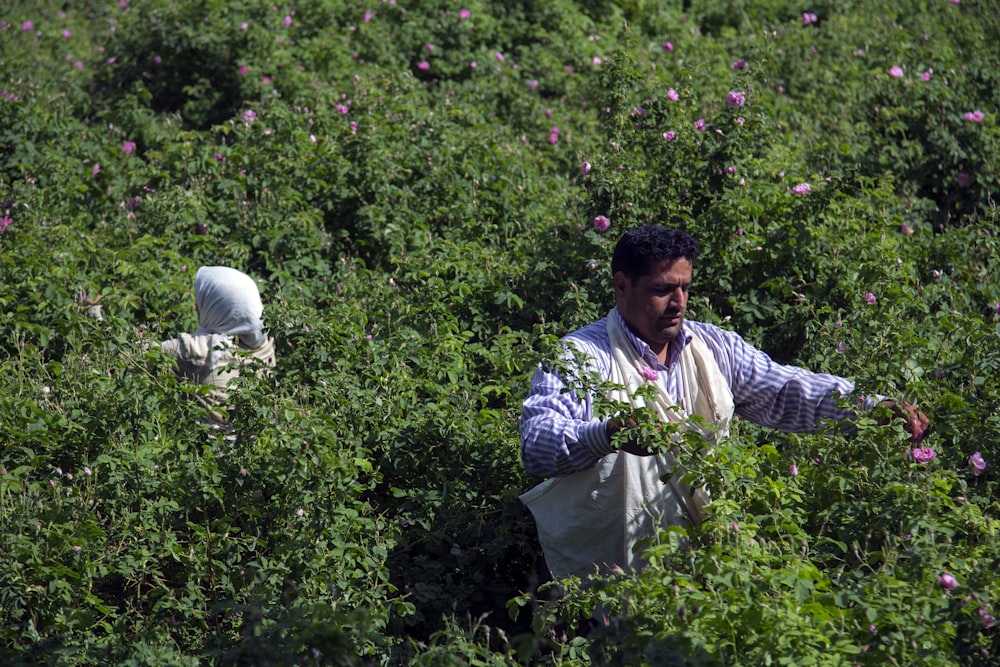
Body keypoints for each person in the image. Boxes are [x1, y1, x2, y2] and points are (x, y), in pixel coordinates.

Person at [519, 225, 928, 580]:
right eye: (662, 290)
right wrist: (606, 434)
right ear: (622, 286)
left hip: (698, 562)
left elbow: (786, 389)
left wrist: (869, 407)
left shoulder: (712, 346)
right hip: (600, 570)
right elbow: (537, 444)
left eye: (684, 287)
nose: (678, 302)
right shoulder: (581, 356)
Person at [160, 266, 276, 427]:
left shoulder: (195, 350)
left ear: (218, 306)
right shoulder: (264, 346)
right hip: (257, 444)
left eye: (201, 302)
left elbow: (134, 354)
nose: (195, 307)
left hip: (206, 448)